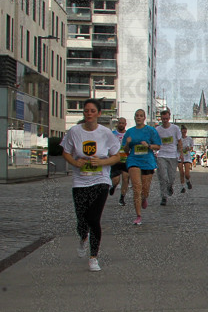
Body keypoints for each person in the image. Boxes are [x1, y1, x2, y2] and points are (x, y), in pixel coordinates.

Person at [61, 99, 121, 271]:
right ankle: (83, 237)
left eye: (92, 111)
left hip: (100, 180)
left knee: (94, 219)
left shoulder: (106, 133)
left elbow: (117, 156)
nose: (89, 114)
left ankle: (93, 256)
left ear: (99, 114)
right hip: (80, 181)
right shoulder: (74, 132)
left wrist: (102, 162)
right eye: (86, 111)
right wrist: (75, 162)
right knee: (82, 220)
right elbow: (66, 152)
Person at [121, 108, 161, 226]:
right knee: (136, 188)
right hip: (133, 160)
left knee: (145, 190)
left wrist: (148, 145)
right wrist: (128, 143)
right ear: (134, 118)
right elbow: (126, 150)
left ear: (144, 118)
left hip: (147, 161)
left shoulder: (151, 130)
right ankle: (138, 215)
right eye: (136, 115)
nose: (138, 117)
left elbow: (158, 146)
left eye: (140, 115)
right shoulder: (129, 132)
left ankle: (144, 198)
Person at [154, 109, 181, 205]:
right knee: (163, 177)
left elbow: (179, 141)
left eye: (166, 118)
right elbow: (154, 141)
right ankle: (164, 197)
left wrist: (180, 153)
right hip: (161, 155)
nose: (165, 120)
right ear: (161, 119)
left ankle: (170, 186)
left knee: (171, 177)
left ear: (169, 118)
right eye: (163, 119)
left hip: (173, 155)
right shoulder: (157, 130)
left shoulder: (175, 128)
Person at [109, 117, 130, 205]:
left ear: (125, 124)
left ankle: (122, 197)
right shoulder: (112, 134)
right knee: (116, 180)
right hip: (115, 159)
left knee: (125, 179)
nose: (121, 125)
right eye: (120, 123)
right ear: (117, 124)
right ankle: (113, 186)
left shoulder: (128, 134)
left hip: (126, 159)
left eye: (123, 123)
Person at [178, 125, 194, 192]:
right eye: (183, 130)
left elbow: (192, 147)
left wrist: (189, 148)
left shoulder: (189, 139)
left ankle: (188, 180)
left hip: (187, 157)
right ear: (181, 131)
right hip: (179, 156)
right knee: (181, 172)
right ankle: (182, 187)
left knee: (187, 174)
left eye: (185, 130)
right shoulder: (178, 139)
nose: (184, 132)